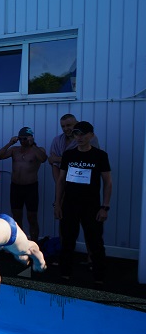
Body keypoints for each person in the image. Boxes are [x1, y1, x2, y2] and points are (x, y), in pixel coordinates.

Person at [54, 121, 112, 284]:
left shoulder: (100, 156)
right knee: (67, 241)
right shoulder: (69, 155)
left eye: (83, 134)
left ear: (91, 135)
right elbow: (61, 180)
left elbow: (108, 182)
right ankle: (65, 275)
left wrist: (105, 207)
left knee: (95, 243)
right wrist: (57, 204)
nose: (79, 137)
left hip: (92, 207)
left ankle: (99, 277)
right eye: (76, 134)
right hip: (70, 206)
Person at [0, 127, 48, 239]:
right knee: (16, 216)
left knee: (32, 217)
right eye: (21, 139)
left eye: (25, 138)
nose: (23, 141)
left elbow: (43, 159)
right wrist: (9, 143)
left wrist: (33, 145)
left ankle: (34, 244)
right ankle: (20, 242)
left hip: (31, 188)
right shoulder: (15, 150)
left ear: (31, 138)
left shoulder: (38, 150)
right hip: (16, 187)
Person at [48, 113, 100, 186]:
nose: (66, 129)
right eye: (63, 126)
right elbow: (54, 163)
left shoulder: (90, 138)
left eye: (69, 125)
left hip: (85, 182)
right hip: (63, 183)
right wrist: (59, 185)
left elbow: (88, 160)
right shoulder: (57, 140)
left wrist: (57, 159)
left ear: (77, 123)